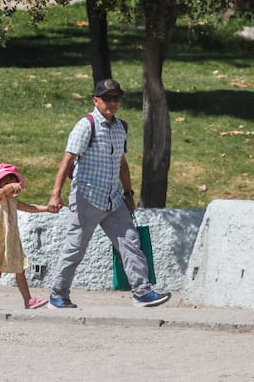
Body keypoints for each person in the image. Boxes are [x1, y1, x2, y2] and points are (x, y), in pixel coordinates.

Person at [46, 78, 171, 309]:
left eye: (116, 98)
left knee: (131, 242)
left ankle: (142, 292)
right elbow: (67, 160)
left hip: (113, 199)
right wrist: (56, 194)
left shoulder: (121, 127)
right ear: (96, 100)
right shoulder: (86, 125)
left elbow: (122, 163)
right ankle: (58, 295)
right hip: (87, 198)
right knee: (75, 249)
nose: (112, 103)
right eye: (107, 98)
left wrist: (128, 193)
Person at [0, 163, 51, 311]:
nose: (11, 186)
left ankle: (28, 301)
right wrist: (11, 186)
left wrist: (47, 208)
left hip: (12, 241)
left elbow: (30, 208)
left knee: (20, 271)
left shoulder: (13, 202)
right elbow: (1, 192)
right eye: (6, 182)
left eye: (13, 181)